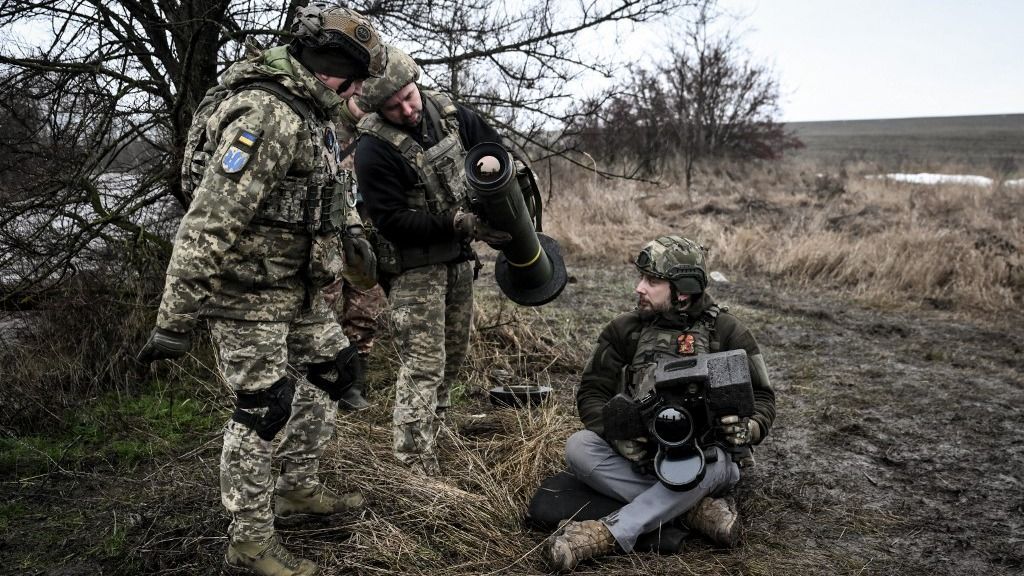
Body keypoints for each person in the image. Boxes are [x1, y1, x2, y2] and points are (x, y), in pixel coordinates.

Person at [136, 4, 386, 575]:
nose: (358, 90)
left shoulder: (311, 112)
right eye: (354, 77)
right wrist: (174, 318)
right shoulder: (265, 113)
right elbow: (209, 221)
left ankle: (296, 489)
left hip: (294, 288)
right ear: (329, 67)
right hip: (245, 293)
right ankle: (249, 542)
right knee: (263, 408)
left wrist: (353, 240)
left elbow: (327, 191)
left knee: (336, 369)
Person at [543, 236, 777, 571]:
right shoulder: (624, 330)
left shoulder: (725, 333)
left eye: (652, 281)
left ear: (682, 291)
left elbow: (764, 397)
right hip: (641, 458)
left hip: (708, 458)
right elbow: (591, 393)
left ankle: (606, 534)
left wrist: (749, 428)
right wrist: (617, 436)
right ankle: (693, 510)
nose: (639, 287)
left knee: (722, 464)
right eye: (641, 278)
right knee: (578, 446)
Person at [352, 45, 511, 476]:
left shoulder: (451, 113)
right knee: (423, 368)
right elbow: (391, 221)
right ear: (378, 109)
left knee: (452, 362)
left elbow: (492, 149)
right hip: (414, 272)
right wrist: (458, 223)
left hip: (458, 263)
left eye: (409, 96)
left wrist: (497, 182)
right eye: (394, 106)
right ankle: (411, 469)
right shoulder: (373, 148)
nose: (407, 109)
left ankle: (433, 450)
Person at [323, 96, 388, 411]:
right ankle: (313, 382)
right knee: (321, 304)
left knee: (365, 307)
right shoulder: (325, 126)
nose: (364, 98)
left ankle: (353, 386)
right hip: (329, 232)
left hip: (366, 232)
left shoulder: (380, 132)